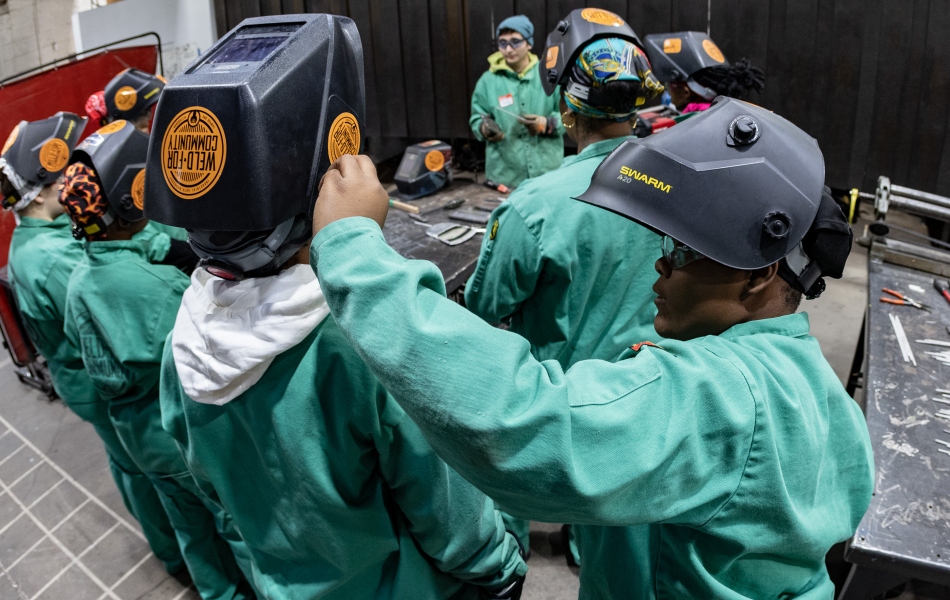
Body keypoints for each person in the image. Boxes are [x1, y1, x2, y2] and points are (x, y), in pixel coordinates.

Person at [307, 97, 875, 598]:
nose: (661, 265)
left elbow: (522, 425)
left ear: (758, 274)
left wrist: (354, 249)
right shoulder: (823, 395)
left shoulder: (720, 399)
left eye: (682, 252)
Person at [148, 13, 527, 599]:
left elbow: (215, 492)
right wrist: (498, 569)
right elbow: (445, 507)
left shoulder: (183, 346)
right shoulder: (363, 344)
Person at [465, 9, 664, 558]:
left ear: (566, 108)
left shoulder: (534, 207)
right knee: (609, 520)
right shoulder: (675, 191)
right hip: (644, 395)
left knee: (511, 482)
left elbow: (484, 304)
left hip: (555, 402)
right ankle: (582, 547)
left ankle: (509, 556)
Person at [59, 121, 254, 600]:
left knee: (190, 528)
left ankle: (217, 592)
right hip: (177, 435)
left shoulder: (81, 278)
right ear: (132, 200)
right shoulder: (150, 288)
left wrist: (161, 247)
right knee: (233, 522)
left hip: (137, 438)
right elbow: (204, 346)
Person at [1, 113, 187, 577]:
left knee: (127, 463)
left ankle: (174, 551)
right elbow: (110, 315)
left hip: (77, 377)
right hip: (94, 379)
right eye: (60, 178)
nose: (69, 184)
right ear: (40, 193)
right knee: (145, 472)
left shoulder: (33, 240)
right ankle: (175, 553)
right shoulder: (55, 259)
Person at [469, 14, 564, 188]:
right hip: (505, 175)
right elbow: (477, 117)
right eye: (503, 43)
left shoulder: (548, 76)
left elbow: (569, 115)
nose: (508, 49)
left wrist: (547, 124)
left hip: (546, 172)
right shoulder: (487, 81)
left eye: (515, 42)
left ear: (529, 43)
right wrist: (485, 128)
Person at [643, 31, 764, 116]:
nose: (667, 92)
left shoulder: (690, 118)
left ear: (685, 92)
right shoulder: (721, 111)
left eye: (669, 87)